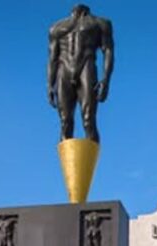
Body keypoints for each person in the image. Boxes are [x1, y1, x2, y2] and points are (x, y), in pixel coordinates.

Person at [47, 4, 114, 143]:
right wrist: (50, 84)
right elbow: (53, 58)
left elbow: (108, 51)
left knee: (89, 120)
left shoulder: (100, 23)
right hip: (63, 70)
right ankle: (68, 158)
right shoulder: (56, 27)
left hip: (86, 67)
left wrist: (106, 80)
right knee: (65, 122)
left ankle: (92, 157)